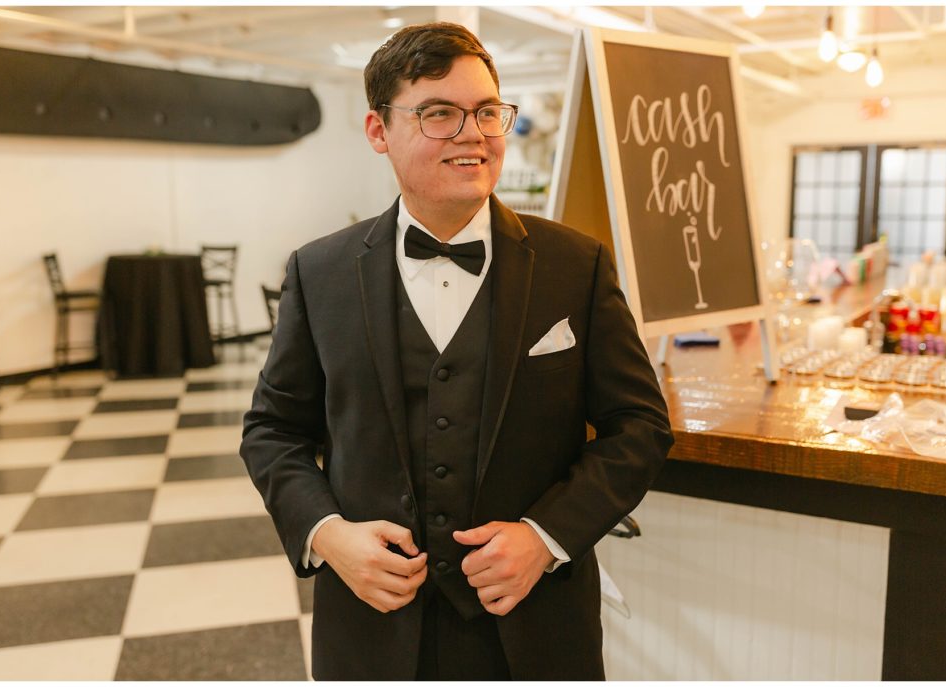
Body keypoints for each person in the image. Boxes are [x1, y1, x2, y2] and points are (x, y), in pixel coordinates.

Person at [240, 21, 673, 681]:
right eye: (439, 113)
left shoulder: (575, 266)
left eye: (487, 111)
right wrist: (328, 533)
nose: (473, 132)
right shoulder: (318, 273)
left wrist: (546, 536)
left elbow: (639, 426)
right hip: (371, 626)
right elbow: (272, 432)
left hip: (535, 622)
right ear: (379, 131)